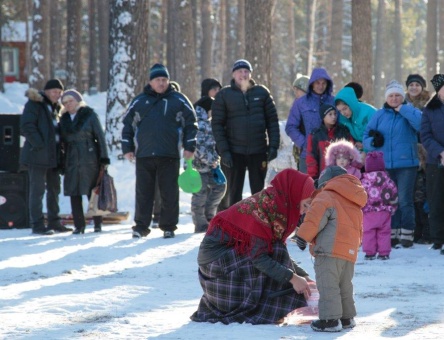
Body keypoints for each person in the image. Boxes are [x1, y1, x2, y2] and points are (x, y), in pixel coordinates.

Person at [190, 169, 315, 325]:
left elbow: (277, 253)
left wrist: (304, 276)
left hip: (222, 267)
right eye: (306, 204)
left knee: (275, 252)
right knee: (272, 254)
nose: (306, 210)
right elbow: (260, 258)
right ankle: (267, 308)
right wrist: (293, 278)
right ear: (294, 195)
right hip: (218, 275)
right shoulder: (262, 210)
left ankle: (275, 305)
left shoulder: (274, 206)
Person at [122, 63, 197, 239]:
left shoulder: (178, 100)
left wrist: (189, 146)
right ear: (151, 81)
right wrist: (127, 148)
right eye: (158, 80)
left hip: (169, 154)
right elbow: (127, 125)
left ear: (168, 81)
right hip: (144, 155)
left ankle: (168, 226)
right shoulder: (139, 101)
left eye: (164, 79)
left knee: (169, 192)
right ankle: (141, 226)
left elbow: (191, 124)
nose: (161, 83)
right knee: (143, 192)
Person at [297, 166, 367, 332]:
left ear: (326, 182)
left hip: (328, 251)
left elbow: (315, 219)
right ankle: (347, 318)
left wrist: (302, 236)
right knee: (345, 285)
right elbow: (359, 229)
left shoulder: (326, 196)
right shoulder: (354, 201)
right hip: (349, 252)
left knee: (328, 285)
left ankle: (330, 320)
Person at [212, 59, 280, 209]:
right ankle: (231, 224)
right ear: (233, 74)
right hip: (234, 152)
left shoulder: (262, 92)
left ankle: (258, 223)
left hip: (258, 150)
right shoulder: (224, 95)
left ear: (250, 74)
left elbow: (272, 121)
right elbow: (217, 125)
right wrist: (224, 151)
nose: (243, 74)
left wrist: (273, 146)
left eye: (246, 71)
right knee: (232, 192)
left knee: (259, 192)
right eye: (239, 71)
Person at [363, 80, 422, 248]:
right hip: (385, 165)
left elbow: (420, 124)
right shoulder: (379, 115)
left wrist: (403, 109)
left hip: (406, 165)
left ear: (402, 97)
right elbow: (365, 136)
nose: (394, 99)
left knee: (405, 200)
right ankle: (393, 233)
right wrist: (372, 143)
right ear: (386, 98)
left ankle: (407, 234)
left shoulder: (409, 111)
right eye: (391, 96)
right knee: (390, 200)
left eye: (398, 96)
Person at [19, 78, 72, 235]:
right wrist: (40, 145)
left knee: (54, 189)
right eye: (54, 92)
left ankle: (54, 222)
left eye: (59, 92)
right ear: (47, 91)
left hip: (53, 156)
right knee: (37, 190)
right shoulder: (35, 104)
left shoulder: (56, 108)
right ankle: (37, 224)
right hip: (37, 156)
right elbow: (26, 126)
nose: (57, 95)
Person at [59, 90, 109, 234]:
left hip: (89, 158)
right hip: (71, 159)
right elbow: (61, 143)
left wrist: (103, 159)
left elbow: (100, 137)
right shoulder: (64, 119)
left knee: (92, 192)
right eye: (65, 102)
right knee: (74, 193)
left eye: (71, 101)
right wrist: (61, 162)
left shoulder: (89, 115)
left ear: (78, 101)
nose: (68, 105)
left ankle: (97, 223)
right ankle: (79, 225)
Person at [191, 78, 226, 233]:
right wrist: (210, 159)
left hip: (212, 163)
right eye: (215, 89)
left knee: (220, 186)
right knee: (200, 193)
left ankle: (209, 215)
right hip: (198, 164)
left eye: (219, 89)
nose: (218, 93)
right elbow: (196, 143)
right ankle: (200, 223)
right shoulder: (197, 113)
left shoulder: (215, 112)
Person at [286, 67, 335, 173]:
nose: (320, 86)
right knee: (307, 187)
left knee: (328, 188)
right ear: (312, 83)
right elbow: (290, 126)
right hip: (307, 155)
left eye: (324, 83)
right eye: (317, 83)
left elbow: (340, 124)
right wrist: (304, 143)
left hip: (330, 155)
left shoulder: (333, 101)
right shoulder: (301, 102)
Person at [420, 74, 444, 254]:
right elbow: (425, 135)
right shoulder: (430, 110)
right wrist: (440, 152)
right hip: (435, 162)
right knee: (436, 200)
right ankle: (438, 238)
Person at [361, 151, 398, 260]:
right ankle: (384, 253)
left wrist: (361, 208)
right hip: (384, 211)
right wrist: (393, 207)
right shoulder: (388, 180)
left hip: (369, 212)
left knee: (368, 232)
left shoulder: (364, 181)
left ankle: (369, 253)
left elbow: (360, 196)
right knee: (384, 232)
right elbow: (394, 194)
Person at [305, 104, 354, 179]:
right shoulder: (315, 135)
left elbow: (352, 152)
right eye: (330, 114)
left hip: (344, 175)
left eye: (335, 114)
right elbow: (311, 158)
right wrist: (313, 178)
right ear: (323, 117)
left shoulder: (343, 131)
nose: (333, 117)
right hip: (324, 176)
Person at [334, 86, 376, 152]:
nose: (343, 113)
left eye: (345, 109)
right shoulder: (343, 120)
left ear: (351, 104)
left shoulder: (369, 113)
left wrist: (365, 147)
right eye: (340, 111)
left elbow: (379, 137)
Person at [414, 144, 431, 244]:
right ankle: (417, 235)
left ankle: (426, 237)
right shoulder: (413, 171)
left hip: (423, 198)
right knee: (417, 218)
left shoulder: (425, 170)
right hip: (415, 198)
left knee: (424, 218)